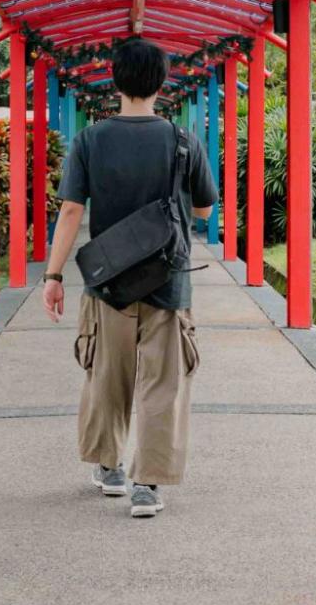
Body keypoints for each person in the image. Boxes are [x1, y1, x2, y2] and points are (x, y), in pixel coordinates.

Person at [41, 37, 218, 519]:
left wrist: (54, 275)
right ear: (161, 84)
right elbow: (203, 207)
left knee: (106, 375)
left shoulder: (90, 140)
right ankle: (148, 485)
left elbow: (73, 209)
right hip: (168, 282)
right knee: (164, 385)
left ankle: (110, 469)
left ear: (115, 81)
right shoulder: (184, 141)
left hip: (109, 282)